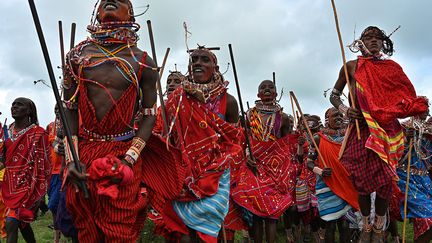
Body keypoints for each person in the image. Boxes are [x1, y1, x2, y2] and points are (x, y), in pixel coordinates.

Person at [62, 1, 183, 241]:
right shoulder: (76, 56)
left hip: (123, 152)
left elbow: (150, 115)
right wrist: (70, 159)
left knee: (120, 229)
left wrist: (129, 160)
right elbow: (69, 109)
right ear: (97, 12)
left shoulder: (144, 62)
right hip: (84, 153)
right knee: (86, 225)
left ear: (130, 13)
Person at [330, 26, 428, 242]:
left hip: (387, 131)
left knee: (384, 180)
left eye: (377, 38)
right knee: (361, 180)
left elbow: (404, 98)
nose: (373, 41)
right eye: (368, 37)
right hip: (360, 129)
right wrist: (346, 110)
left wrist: (418, 108)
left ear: (384, 43)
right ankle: (365, 223)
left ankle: (380, 223)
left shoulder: (392, 68)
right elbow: (334, 95)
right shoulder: (351, 67)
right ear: (360, 41)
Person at [154, 46, 242, 242]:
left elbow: (235, 140)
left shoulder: (229, 101)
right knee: (183, 233)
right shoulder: (176, 99)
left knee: (209, 230)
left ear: (215, 67)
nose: (198, 63)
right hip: (183, 173)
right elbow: (166, 135)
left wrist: (219, 162)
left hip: (216, 174)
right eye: (194, 60)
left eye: (205, 60)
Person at [231, 80, 301, 243]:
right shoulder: (249, 115)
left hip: (275, 169)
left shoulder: (283, 118)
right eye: (263, 87)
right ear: (258, 94)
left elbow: (284, 145)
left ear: (276, 93)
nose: (267, 89)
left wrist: (286, 167)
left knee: (272, 215)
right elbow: (243, 139)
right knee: (256, 214)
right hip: (254, 166)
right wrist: (247, 156)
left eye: (271, 87)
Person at [0, 97, 51, 243]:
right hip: (10, 185)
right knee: (22, 223)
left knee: (11, 222)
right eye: (13, 104)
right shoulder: (7, 132)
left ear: (29, 110)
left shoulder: (39, 133)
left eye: (19, 104)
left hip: (29, 186)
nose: (14, 107)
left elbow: (44, 164)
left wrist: (41, 194)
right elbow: (4, 160)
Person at [306, 107, 359, 243]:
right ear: (327, 119)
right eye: (335, 116)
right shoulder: (318, 138)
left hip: (346, 184)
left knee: (345, 224)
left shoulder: (349, 135)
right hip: (326, 185)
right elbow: (309, 162)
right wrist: (321, 171)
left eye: (341, 115)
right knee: (330, 224)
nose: (339, 118)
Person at [397, 108, 432, 243]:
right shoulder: (404, 127)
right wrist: (406, 139)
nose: (426, 111)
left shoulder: (429, 130)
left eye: (427, 109)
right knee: (428, 216)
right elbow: (392, 151)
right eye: (422, 108)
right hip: (405, 179)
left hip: (425, 181)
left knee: (425, 221)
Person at [46, 106, 63, 243]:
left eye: (60, 108)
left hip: (64, 170)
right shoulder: (50, 126)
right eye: (56, 108)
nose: (57, 110)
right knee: (53, 207)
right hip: (51, 172)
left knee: (53, 204)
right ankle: (56, 238)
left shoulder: (70, 125)